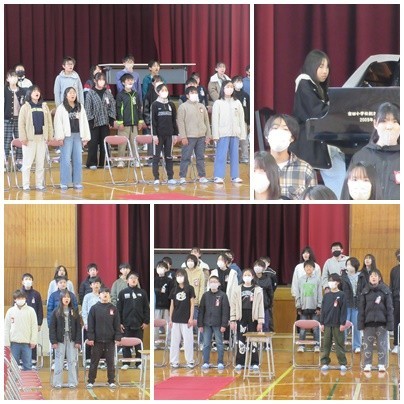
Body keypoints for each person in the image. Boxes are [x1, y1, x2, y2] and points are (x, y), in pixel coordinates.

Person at [293, 49, 346, 197]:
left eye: (327, 67)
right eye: (321, 66)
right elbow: (318, 112)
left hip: (316, 136)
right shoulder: (304, 82)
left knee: (340, 164)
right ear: (311, 65)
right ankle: (338, 197)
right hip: (308, 140)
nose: (325, 71)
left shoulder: (315, 85)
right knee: (339, 171)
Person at [348, 102, 400, 200]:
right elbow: (348, 195)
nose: (389, 126)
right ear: (375, 123)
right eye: (384, 121)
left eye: (395, 121)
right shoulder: (361, 156)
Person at [264, 113, 317, 199]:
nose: (279, 132)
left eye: (285, 129)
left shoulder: (306, 169)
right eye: (275, 128)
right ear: (267, 135)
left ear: (292, 138)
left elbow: (313, 201)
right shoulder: (257, 166)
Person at [54, 86, 91, 190]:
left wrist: (85, 137)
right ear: (66, 95)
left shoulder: (80, 107)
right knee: (65, 160)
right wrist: (60, 137)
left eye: (74, 92)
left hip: (78, 136)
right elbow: (58, 123)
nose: (72, 94)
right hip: (67, 137)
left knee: (78, 160)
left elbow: (84, 122)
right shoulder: (61, 108)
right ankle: (64, 182)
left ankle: (77, 182)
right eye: (70, 93)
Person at [18, 85, 53, 191]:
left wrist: (49, 136)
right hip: (29, 140)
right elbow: (21, 124)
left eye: (38, 91)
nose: (37, 93)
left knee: (40, 163)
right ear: (29, 93)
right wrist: (23, 138)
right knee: (27, 164)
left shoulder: (44, 106)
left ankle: (39, 184)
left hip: (41, 138)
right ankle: (26, 185)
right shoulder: (25, 107)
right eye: (34, 91)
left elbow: (49, 122)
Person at [358, 269, 394, 372]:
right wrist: (361, 325)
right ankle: (367, 364)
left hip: (382, 324)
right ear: (369, 279)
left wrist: (390, 325)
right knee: (367, 346)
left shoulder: (385, 291)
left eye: (375, 276)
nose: (373, 277)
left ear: (379, 278)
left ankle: (382, 364)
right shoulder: (365, 291)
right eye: (371, 276)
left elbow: (389, 309)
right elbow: (361, 309)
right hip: (368, 324)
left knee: (382, 345)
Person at [86, 287, 122, 389]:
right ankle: (91, 381)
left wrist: (117, 337)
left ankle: (111, 381)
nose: (105, 294)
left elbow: (117, 324)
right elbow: (91, 324)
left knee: (110, 362)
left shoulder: (113, 308)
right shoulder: (94, 308)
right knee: (94, 362)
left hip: (110, 340)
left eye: (107, 293)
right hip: (97, 340)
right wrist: (91, 338)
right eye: (103, 293)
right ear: (99, 295)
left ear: (109, 295)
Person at [212, 80, 246, 184]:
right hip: (223, 133)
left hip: (235, 133)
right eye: (227, 86)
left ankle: (235, 176)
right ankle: (218, 176)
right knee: (221, 155)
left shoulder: (237, 102)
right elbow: (215, 120)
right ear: (223, 88)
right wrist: (215, 135)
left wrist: (242, 133)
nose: (230, 89)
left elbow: (241, 119)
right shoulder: (218, 103)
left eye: (231, 87)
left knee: (235, 155)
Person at [230, 268, 265, 371]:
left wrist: (260, 321)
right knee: (241, 339)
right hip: (241, 316)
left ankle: (254, 362)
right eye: (245, 275)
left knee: (253, 340)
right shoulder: (237, 289)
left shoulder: (257, 289)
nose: (247, 277)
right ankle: (240, 362)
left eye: (249, 275)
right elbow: (233, 305)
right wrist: (233, 320)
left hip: (253, 317)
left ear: (253, 277)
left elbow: (261, 306)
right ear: (242, 277)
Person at [177, 86, 211, 184]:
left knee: (200, 157)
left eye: (196, 93)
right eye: (192, 93)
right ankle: (182, 176)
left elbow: (207, 122)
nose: (194, 94)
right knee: (186, 157)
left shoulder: (201, 106)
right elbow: (180, 122)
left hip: (201, 136)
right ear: (187, 95)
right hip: (189, 136)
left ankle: (202, 176)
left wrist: (208, 135)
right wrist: (183, 136)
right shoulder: (183, 107)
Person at [116, 272, 149, 369]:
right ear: (127, 280)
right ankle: (126, 363)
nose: (133, 280)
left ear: (137, 280)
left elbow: (146, 308)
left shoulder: (142, 293)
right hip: (126, 324)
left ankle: (139, 363)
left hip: (139, 324)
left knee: (138, 344)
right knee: (126, 344)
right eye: (131, 278)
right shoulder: (122, 293)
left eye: (135, 278)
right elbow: (119, 309)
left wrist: (146, 321)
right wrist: (119, 323)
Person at [49, 290, 81, 388]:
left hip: (72, 339)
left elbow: (78, 327)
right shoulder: (56, 311)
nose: (66, 299)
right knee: (59, 361)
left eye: (68, 297)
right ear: (61, 299)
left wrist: (78, 341)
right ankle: (57, 382)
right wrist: (53, 341)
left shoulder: (74, 311)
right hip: (60, 340)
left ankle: (72, 382)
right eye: (64, 297)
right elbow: (52, 328)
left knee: (72, 361)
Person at [84, 72, 116, 170]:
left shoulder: (107, 93)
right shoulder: (90, 93)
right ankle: (92, 162)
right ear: (95, 81)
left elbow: (112, 106)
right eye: (100, 79)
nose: (102, 81)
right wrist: (91, 120)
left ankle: (105, 162)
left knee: (104, 143)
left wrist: (111, 119)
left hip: (105, 122)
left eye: (103, 79)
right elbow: (87, 108)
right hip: (94, 123)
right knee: (93, 143)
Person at [198, 275, 230, 370]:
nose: (213, 283)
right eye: (211, 282)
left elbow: (225, 311)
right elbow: (201, 310)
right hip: (206, 324)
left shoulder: (223, 295)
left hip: (218, 324)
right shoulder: (205, 295)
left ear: (218, 283)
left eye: (215, 282)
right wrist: (200, 324)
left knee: (219, 343)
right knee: (206, 344)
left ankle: (220, 362)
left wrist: (224, 324)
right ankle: (206, 362)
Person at [151, 83, 178, 185]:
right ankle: (156, 178)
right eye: (162, 90)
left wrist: (175, 134)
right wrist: (154, 135)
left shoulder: (171, 105)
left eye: (166, 90)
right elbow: (153, 122)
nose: (165, 92)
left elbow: (174, 121)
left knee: (169, 156)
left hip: (169, 135)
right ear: (158, 92)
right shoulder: (155, 105)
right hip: (158, 136)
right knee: (156, 157)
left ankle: (170, 177)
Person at [320, 274, 348, 371]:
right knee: (326, 344)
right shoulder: (326, 296)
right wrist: (322, 323)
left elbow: (344, 310)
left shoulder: (342, 295)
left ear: (338, 282)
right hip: (327, 324)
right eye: (330, 280)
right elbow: (323, 310)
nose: (331, 283)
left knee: (339, 344)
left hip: (337, 324)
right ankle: (325, 362)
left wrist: (342, 323)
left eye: (333, 281)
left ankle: (342, 363)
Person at [5, 290, 38, 371]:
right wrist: (6, 343)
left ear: (25, 299)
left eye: (22, 298)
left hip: (27, 343)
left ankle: (28, 379)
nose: (21, 300)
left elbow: (34, 326)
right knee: (13, 366)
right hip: (14, 343)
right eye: (18, 298)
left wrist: (33, 340)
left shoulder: (31, 310)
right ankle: (14, 379)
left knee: (28, 365)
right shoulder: (10, 311)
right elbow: (6, 327)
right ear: (15, 299)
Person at [169, 268, 195, 368]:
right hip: (175, 319)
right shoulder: (174, 289)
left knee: (188, 341)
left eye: (181, 275)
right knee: (174, 341)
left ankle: (190, 361)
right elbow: (172, 305)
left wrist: (191, 318)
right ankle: (174, 361)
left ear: (185, 276)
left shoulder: (190, 289)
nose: (179, 278)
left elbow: (192, 304)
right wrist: (170, 319)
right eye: (177, 276)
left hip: (186, 319)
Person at [115, 73, 143, 168]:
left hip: (134, 124)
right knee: (122, 144)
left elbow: (139, 108)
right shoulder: (120, 95)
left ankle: (135, 160)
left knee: (134, 143)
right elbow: (118, 109)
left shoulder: (136, 94)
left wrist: (140, 121)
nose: (130, 82)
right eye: (128, 80)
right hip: (124, 124)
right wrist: (120, 122)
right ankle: (121, 161)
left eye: (131, 80)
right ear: (123, 82)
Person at [294, 260, 322, 352]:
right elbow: (297, 293)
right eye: (307, 267)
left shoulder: (317, 279)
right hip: (303, 308)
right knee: (303, 328)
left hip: (314, 308)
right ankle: (301, 345)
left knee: (316, 328)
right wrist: (298, 306)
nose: (308, 268)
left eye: (310, 267)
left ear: (313, 268)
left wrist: (319, 306)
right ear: (304, 268)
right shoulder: (300, 279)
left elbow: (320, 294)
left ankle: (317, 345)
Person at [20, 273, 43, 369]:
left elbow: (40, 309)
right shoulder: (19, 293)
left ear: (32, 281)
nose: (28, 281)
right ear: (22, 281)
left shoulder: (36, 294)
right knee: (21, 341)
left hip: (33, 323)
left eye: (29, 279)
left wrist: (39, 323)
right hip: (21, 323)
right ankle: (21, 361)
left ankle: (33, 361)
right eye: (26, 279)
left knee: (32, 341)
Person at [340, 257, 361, 353]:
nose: (348, 266)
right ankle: (342, 344)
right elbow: (340, 290)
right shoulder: (343, 277)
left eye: (350, 264)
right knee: (344, 324)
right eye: (347, 264)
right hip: (346, 303)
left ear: (355, 265)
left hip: (357, 304)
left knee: (356, 325)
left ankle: (357, 345)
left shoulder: (361, 276)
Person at [4, 69, 25, 164]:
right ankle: (4, 160)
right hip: (7, 119)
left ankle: (19, 160)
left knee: (20, 139)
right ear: (7, 79)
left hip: (19, 119)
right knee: (6, 140)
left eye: (15, 76)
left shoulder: (22, 91)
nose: (14, 78)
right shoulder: (4, 91)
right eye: (11, 76)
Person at [81, 277, 102, 367]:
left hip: (101, 324)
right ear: (90, 285)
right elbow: (84, 310)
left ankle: (101, 361)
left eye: (97, 283)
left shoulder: (103, 295)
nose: (96, 285)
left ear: (100, 285)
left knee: (101, 343)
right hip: (90, 323)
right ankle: (88, 360)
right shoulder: (87, 296)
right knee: (89, 342)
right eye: (94, 283)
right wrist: (86, 323)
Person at [154, 261, 173, 347]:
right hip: (156, 306)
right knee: (155, 326)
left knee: (168, 325)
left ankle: (169, 342)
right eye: (158, 267)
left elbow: (171, 294)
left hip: (166, 306)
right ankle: (155, 343)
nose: (160, 269)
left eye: (162, 267)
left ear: (166, 269)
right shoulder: (154, 280)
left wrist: (170, 306)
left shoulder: (169, 281)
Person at [232, 75, 250, 163]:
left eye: (240, 82)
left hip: (243, 121)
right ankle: (232, 157)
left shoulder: (245, 95)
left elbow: (248, 109)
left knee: (244, 140)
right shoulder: (231, 95)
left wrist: (249, 122)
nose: (239, 83)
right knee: (233, 140)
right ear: (233, 83)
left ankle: (245, 157)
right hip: (233, 120)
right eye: (237, 81)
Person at [253, 259, 274, 332]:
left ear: (263, 268)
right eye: (256, 266)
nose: (257, 267)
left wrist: (269, 303)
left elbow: (270, 293)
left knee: (265, 326)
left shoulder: (267, 279)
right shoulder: (251, 278)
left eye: (259, 266)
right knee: (253, 326)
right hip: (252, 306)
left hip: (264, 306)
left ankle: (266, 339)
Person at [389, 249, 400, 354]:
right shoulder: (394, 270)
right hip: (397, 300)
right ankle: (396, 344)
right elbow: (391, 286)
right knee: (396, 322)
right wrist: (391, 301)